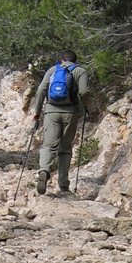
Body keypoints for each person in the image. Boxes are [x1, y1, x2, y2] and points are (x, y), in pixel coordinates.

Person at [30, 50, 91, 195]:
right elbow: (84, 92)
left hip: (51, 112)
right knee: (65, 149)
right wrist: (86, 106)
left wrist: (37, 112)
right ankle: (63, 185)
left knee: (48, 146)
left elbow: (40, 91)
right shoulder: (80, 71)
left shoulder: (52, 70)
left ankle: (44, 171)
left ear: (61, 60)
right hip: (70, 112)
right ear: (75, 60)